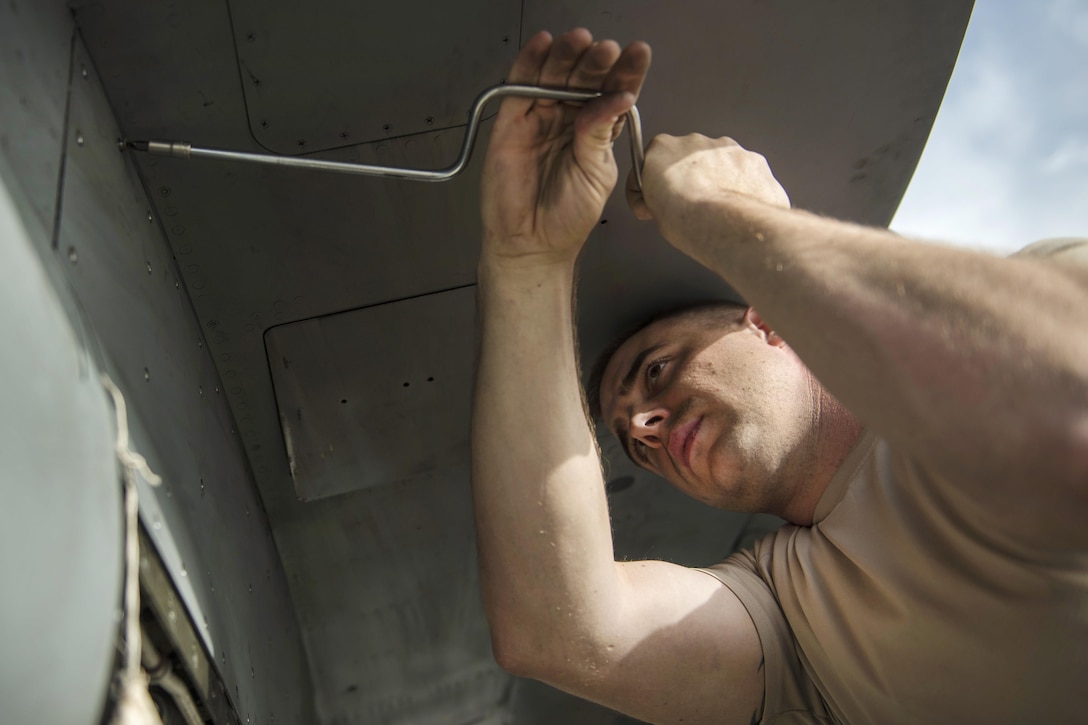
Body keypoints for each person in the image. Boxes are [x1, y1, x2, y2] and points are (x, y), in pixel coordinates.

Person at [471, 28, 1088, 724]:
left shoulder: (1034, 303)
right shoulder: (789, 623)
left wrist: (730, 220)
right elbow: (558, 630)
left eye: (658, 369)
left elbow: (1067, 397)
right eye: (631, 439)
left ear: (767, 322)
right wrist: (527, 262)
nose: (643, 429)